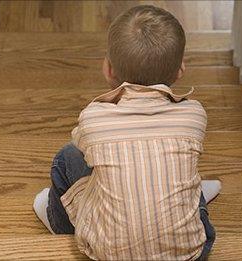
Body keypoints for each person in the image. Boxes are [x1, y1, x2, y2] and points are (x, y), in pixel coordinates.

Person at [33, 5, 221, 260]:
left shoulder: (93, 117)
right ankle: (190, 202)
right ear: (180, 71)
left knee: (66, 157)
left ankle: (59, 222)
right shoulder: (195, 114)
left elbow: (83, 149)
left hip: (107, 252)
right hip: (192, 252)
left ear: (108, 69)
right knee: (179, 163)